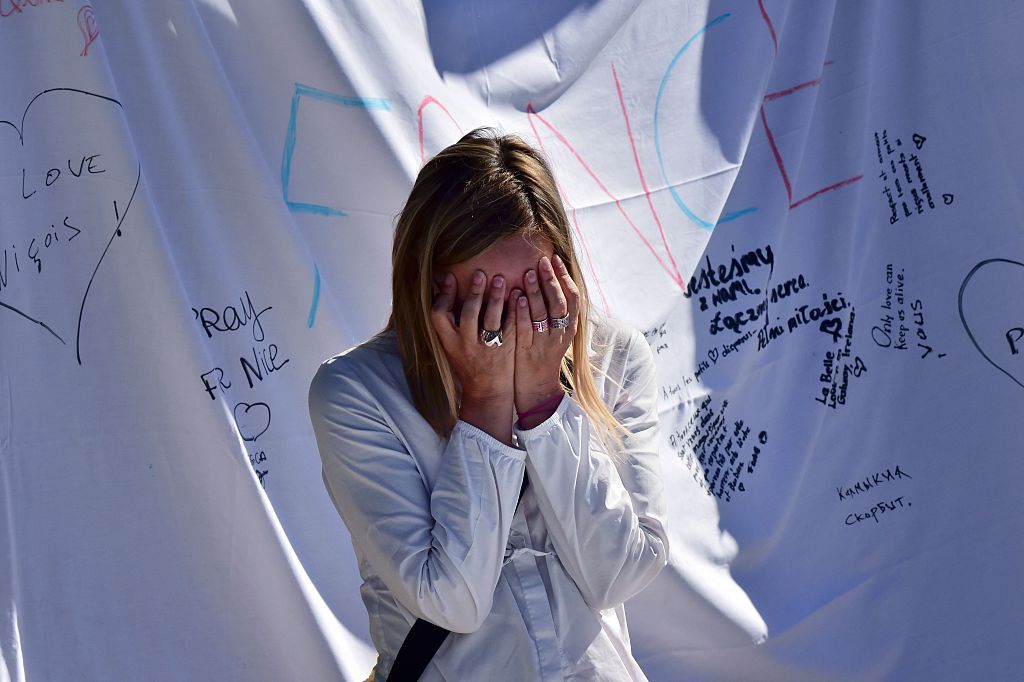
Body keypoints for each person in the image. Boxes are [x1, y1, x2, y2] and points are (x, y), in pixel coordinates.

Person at [308, 128, 670, 681]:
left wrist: (546, 404)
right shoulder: (357, 394)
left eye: (530, 291)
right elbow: (452, 600)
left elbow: (621, 573)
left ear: (563, 272)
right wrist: (486, 405)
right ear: (429, 282)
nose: (510, 321)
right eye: (486, 298)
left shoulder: (613, 358)